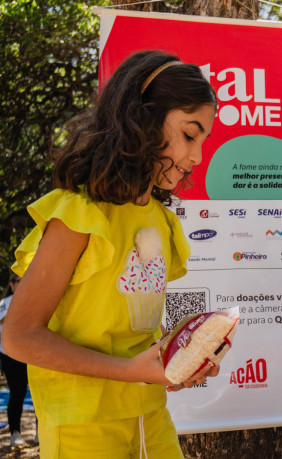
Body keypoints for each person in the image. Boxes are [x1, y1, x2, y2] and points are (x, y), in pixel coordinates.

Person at [2, 50, 219, 458]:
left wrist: (176, 360)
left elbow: (131, 327)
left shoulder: (160, 219)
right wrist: (129, 371)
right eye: (190, 135)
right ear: (143, 119)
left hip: (151, 415)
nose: (197, 158)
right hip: (82, 427)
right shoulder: (78, 215)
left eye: (204, 141)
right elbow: (17, 336)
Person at [0, 272, 30, 448]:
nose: (22, 283)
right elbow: (5, 322)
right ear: (11, 284)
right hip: (10, 355)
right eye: (19, 281)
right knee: (17, 393)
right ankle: (15, 432)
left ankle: (39, 433)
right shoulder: (5, 303)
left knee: (38, 392)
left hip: (31, 354)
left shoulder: (32, 299)